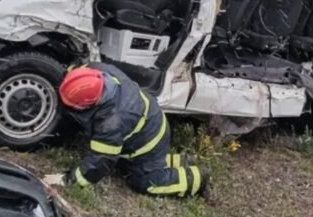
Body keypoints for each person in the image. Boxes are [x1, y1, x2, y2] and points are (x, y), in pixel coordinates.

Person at [58, 64, 209, 198]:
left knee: (143, 181)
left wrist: (71, 180)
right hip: (150, 118)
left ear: (90, 102)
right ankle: (180, 161)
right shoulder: (93, 70)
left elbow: (101, 161)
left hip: (150, 142)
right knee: (127, 165)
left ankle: (196, 178)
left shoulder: (112, 121)